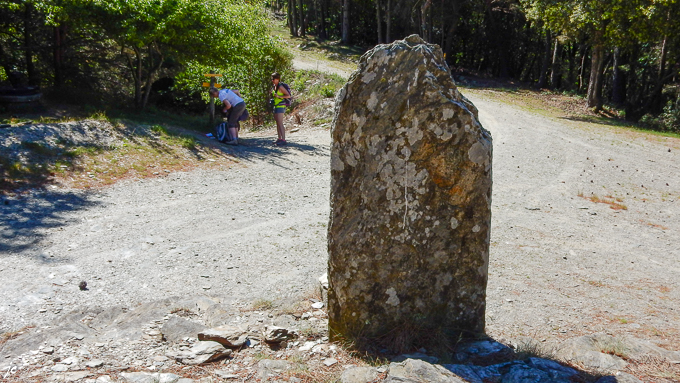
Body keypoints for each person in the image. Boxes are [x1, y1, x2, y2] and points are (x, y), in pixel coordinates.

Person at [271, 73, 291, 146]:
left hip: (281, 106)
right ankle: (279, 138)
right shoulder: (275, 86)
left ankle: (283, 139)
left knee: (280, 122)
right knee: (277, 123)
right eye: (272, 79)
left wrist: (278, 96)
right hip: (276, 106)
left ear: (277, 79)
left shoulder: (280, 87)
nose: (272, 80)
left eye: (273, 79)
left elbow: (288, 95)